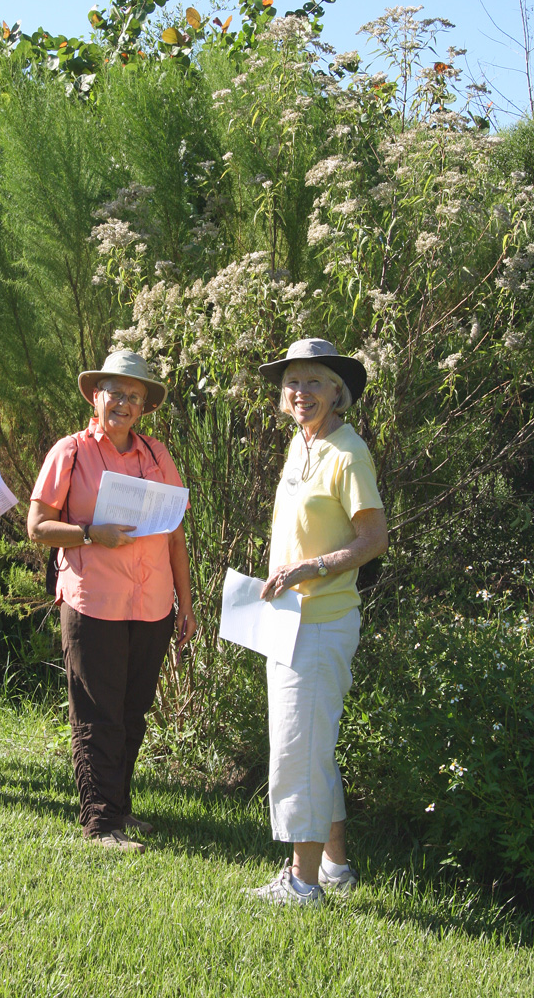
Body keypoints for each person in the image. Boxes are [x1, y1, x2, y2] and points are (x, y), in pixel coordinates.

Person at [28, 349, 196, 852]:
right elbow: (37, 527)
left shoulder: (158, 454)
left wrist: (184, 603)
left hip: (150, 605)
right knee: (98, 713)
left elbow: (175, 535)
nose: (123, 403)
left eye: (135, 396)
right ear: (95, 396)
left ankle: (120, 808)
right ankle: (99, 821)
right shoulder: (71, 451)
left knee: (132, 710)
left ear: (144, 407)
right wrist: (88, 533)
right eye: (115, 393)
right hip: (92, 602)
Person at [250, 338, 388, 905]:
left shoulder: (347, 452)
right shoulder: (300, 444)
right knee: (311, 744)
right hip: (289, 619)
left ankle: (301, 883)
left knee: (297, 749)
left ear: (338, 392)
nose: (300, 392)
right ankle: (334, 867)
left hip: (322, 622)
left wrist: (310, 567)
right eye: (293, 382)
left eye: (313, 382)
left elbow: (373, 540)